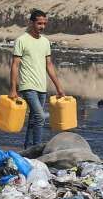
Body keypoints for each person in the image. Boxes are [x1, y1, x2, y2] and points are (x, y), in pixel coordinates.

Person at [9, 9, 66, 150]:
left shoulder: (45, 42)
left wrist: (58, 87)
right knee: (40, 116)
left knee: (34, 119)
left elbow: (49, 65)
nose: (42, 26)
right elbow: (15, 65)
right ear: (31, 22)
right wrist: (13, 88)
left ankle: (27, 149)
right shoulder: (21, 40)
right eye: (39, 23)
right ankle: (38, 148)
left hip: (42, 86)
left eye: (44, 23)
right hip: (27, 86)